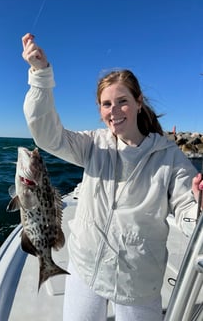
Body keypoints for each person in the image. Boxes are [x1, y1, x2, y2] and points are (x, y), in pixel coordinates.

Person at [21, 32, 203, 321]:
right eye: (106, 104)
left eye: (122, 101)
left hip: (138, 282)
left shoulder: (169, 156)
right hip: (85, 268)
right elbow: (47, 135)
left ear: (139, 102)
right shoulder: (93, 144)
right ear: (99, 110)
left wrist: (198, 203)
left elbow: (187, 212)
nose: (114, 111)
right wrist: (40, 74)